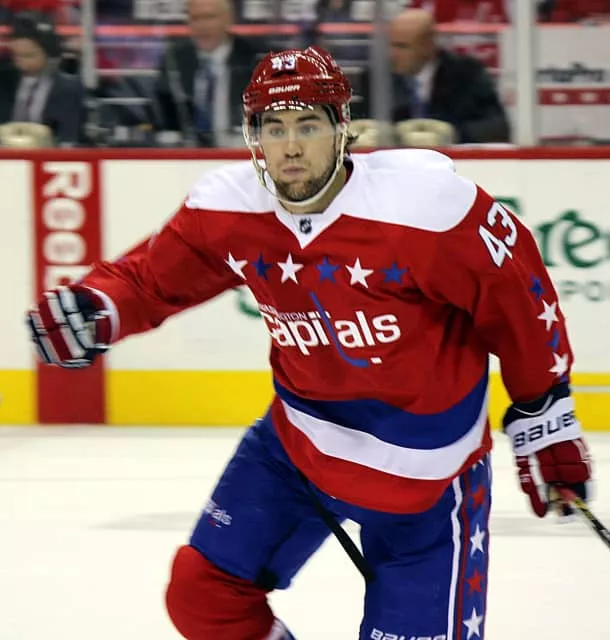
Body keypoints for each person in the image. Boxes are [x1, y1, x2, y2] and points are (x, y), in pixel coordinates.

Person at [27, 46, 592, 640]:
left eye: (307, 125)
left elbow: (519, 299)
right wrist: (99, 307)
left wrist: (544, 408)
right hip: (297, 449)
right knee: (203, 597)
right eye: (274, 128)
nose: (291, 146)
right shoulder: (228, 206)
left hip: (427, 480)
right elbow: (150, 280)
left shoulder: (426, 207)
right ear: (254, 138)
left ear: (342, 128)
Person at [356, 8, 510, 144]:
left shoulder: (467, 74)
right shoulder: (376, 77)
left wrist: (453, 134)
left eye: (402, 46)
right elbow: (357, 123)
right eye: (390, 45)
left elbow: (498, 127)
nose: (392, 54)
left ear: (428, 46)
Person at [153, 0, 263, 146]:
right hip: (188, 153)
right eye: (195, 18)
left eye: (209, 17)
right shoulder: (174, 61)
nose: (202, 26)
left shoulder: (254, 60)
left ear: (228, 20)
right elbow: (164, 121)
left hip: (242, 151)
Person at [0, 11, 83, 146]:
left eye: (29, 56)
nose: (20, 62)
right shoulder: (4, 82)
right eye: (16, 55)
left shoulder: (69, 89)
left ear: (49, 54)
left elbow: (69, 137)